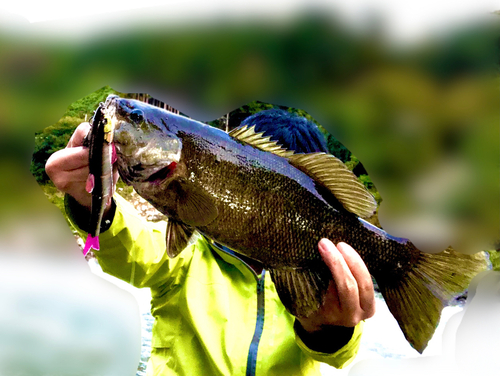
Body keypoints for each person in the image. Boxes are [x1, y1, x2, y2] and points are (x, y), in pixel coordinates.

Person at [45, 107, 375, 376]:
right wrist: (91, 202)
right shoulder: (186, 254)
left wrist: (327, 329)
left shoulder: (316, 278)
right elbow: (131, 247)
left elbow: (341, 355)